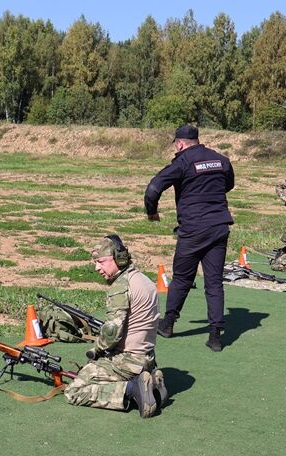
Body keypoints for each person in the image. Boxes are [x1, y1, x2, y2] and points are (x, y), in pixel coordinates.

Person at [144, 124, 235, 351]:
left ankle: (168, 324)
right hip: (219, 226)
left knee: (182, 278)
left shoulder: (182, 162)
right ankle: (215, 336)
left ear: (180, 143)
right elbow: (229, 184)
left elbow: (154, 188)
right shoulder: (220, 160)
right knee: (214, 282)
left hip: (193, 229)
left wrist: (152, 212)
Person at [63, 235, 166, 418]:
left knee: (74, 391)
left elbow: (112, 332)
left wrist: (97, 349)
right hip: (147, 357)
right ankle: (149, 382)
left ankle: (133, 389)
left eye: (101, 262)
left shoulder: (121, 286)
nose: (97, 267)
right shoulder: (143, 279)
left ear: (119, 259)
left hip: (128, 361)